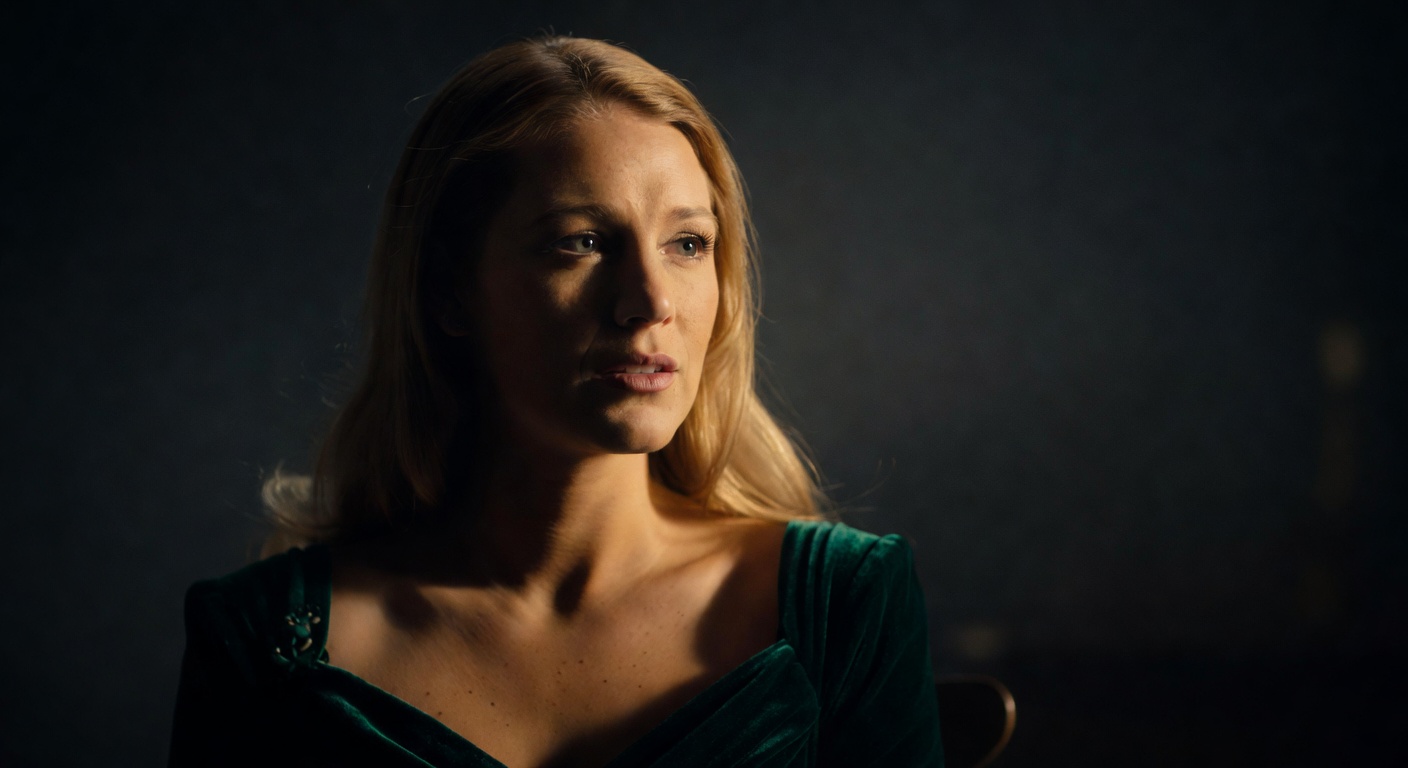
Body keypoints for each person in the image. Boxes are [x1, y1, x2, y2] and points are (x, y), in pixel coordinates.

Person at [169, 35, 944, 767]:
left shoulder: (843, 602)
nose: (649, 302)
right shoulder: (264, 637)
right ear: (448, 289)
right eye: (582, 241)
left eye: (687, 244)